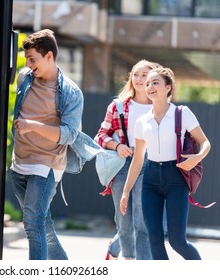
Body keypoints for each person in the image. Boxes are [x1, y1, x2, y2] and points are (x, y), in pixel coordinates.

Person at [9, 29, 99, 260]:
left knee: (32, 222)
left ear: (49, 56)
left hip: (47, 164)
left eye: (33, 59)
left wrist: (33, 126)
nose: (28, 64)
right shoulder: (24, 78)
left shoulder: (70, 92)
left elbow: (69, 134)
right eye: (27, 59)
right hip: (19, 162)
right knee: (42, 223)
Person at [120, 67, 211, 260]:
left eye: (155, 82)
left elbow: (205, 142)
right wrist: (126, 192)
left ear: (168, 87)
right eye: (147, 84)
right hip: (150, 180)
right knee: (154, 239)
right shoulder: (142, 121)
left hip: (176, 178)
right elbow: (137, 159)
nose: (149, 86)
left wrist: (197, 157)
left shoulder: (182, 113)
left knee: (178, 241)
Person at [96, 59, 160, 260]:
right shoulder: (118, 106)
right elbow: (101, 135)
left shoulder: (160, 107)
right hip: (123, 164)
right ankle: (124, 256)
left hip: (149, 164)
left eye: (145, 75)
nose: (140, 79)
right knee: (124, 221)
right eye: (136, 74)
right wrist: (118, 146)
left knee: (142, 221)